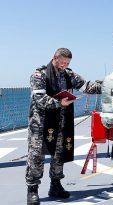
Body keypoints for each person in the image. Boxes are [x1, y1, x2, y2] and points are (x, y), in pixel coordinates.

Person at [26, 48, 102, 205]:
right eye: (62, 62)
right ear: (54, 58)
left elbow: (86, 86)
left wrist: (107, 85)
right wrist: (59, 102)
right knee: (36, 156)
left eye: (67, 63)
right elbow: (40, 98)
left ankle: (55, 185)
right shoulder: (38, 75)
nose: (64, 65)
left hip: (62, 122)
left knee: (59, 154)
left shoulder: (69, 74)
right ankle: (32, 189)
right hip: (40, 123)